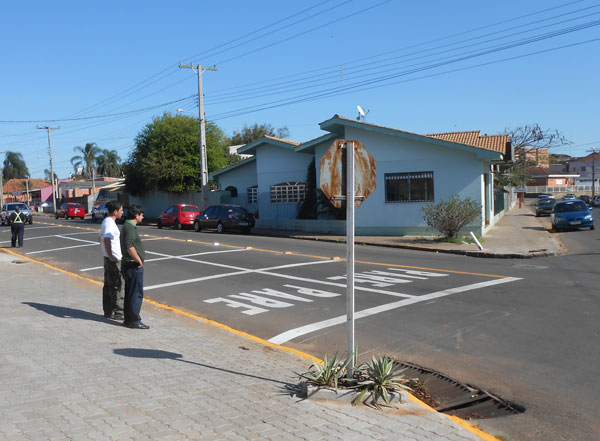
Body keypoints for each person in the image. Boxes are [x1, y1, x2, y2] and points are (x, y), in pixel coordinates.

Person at [120, 204, 149, 329]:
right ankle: (134, 320)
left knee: (130, 292)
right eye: (141, 214)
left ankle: (128, 319)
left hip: (128, 264)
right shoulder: (130, 228)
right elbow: (129, 245)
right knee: (136, 293)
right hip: (133, 265)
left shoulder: (128, 226)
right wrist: (138, 260)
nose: (143, 217)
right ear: (136, 215)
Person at [99, 201, 124, 320]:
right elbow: (106, 239)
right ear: (115, 211)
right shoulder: (109, 223)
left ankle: (108, 311)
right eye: (121, 210)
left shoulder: (106, 222)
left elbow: (100, 238)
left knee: (109, 284)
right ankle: (118, 312)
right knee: (118, 284)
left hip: (108, 258)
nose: (122, 212)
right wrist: (111, 256)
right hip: (113, 260)